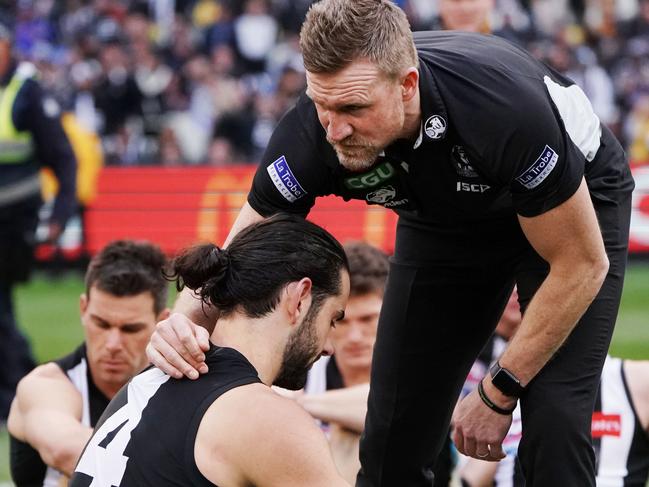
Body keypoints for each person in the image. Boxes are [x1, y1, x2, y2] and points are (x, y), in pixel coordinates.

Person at [147, 1, 634, 485]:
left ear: (407, 86)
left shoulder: (501, 111)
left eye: (354, 108)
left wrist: (497, 390)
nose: (335, 130)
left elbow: (581, 265)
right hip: (446, 219)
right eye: (323, 105)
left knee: (554, 420)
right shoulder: (308, 135)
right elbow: (237, 259)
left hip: (574, 207)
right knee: (394, 431)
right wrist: (180, 325)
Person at [70, 214, 351, 487]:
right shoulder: (265, 419)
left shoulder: (149, 379)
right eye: (332, 319)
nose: (328, 346)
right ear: (300, 299)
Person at [7, 240, 169, 486]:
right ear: (83, 308)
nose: (113, 343)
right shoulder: (45, 386)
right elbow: (66, 451)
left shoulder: (176, 389)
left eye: (130, 329)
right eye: (101, 324)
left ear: (162, 321)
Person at [0, 22, 77, 420]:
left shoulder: (27, 93)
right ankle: (26, 374)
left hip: (15, 221)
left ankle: (13, 391)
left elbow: (63, 158)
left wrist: (59, 215)